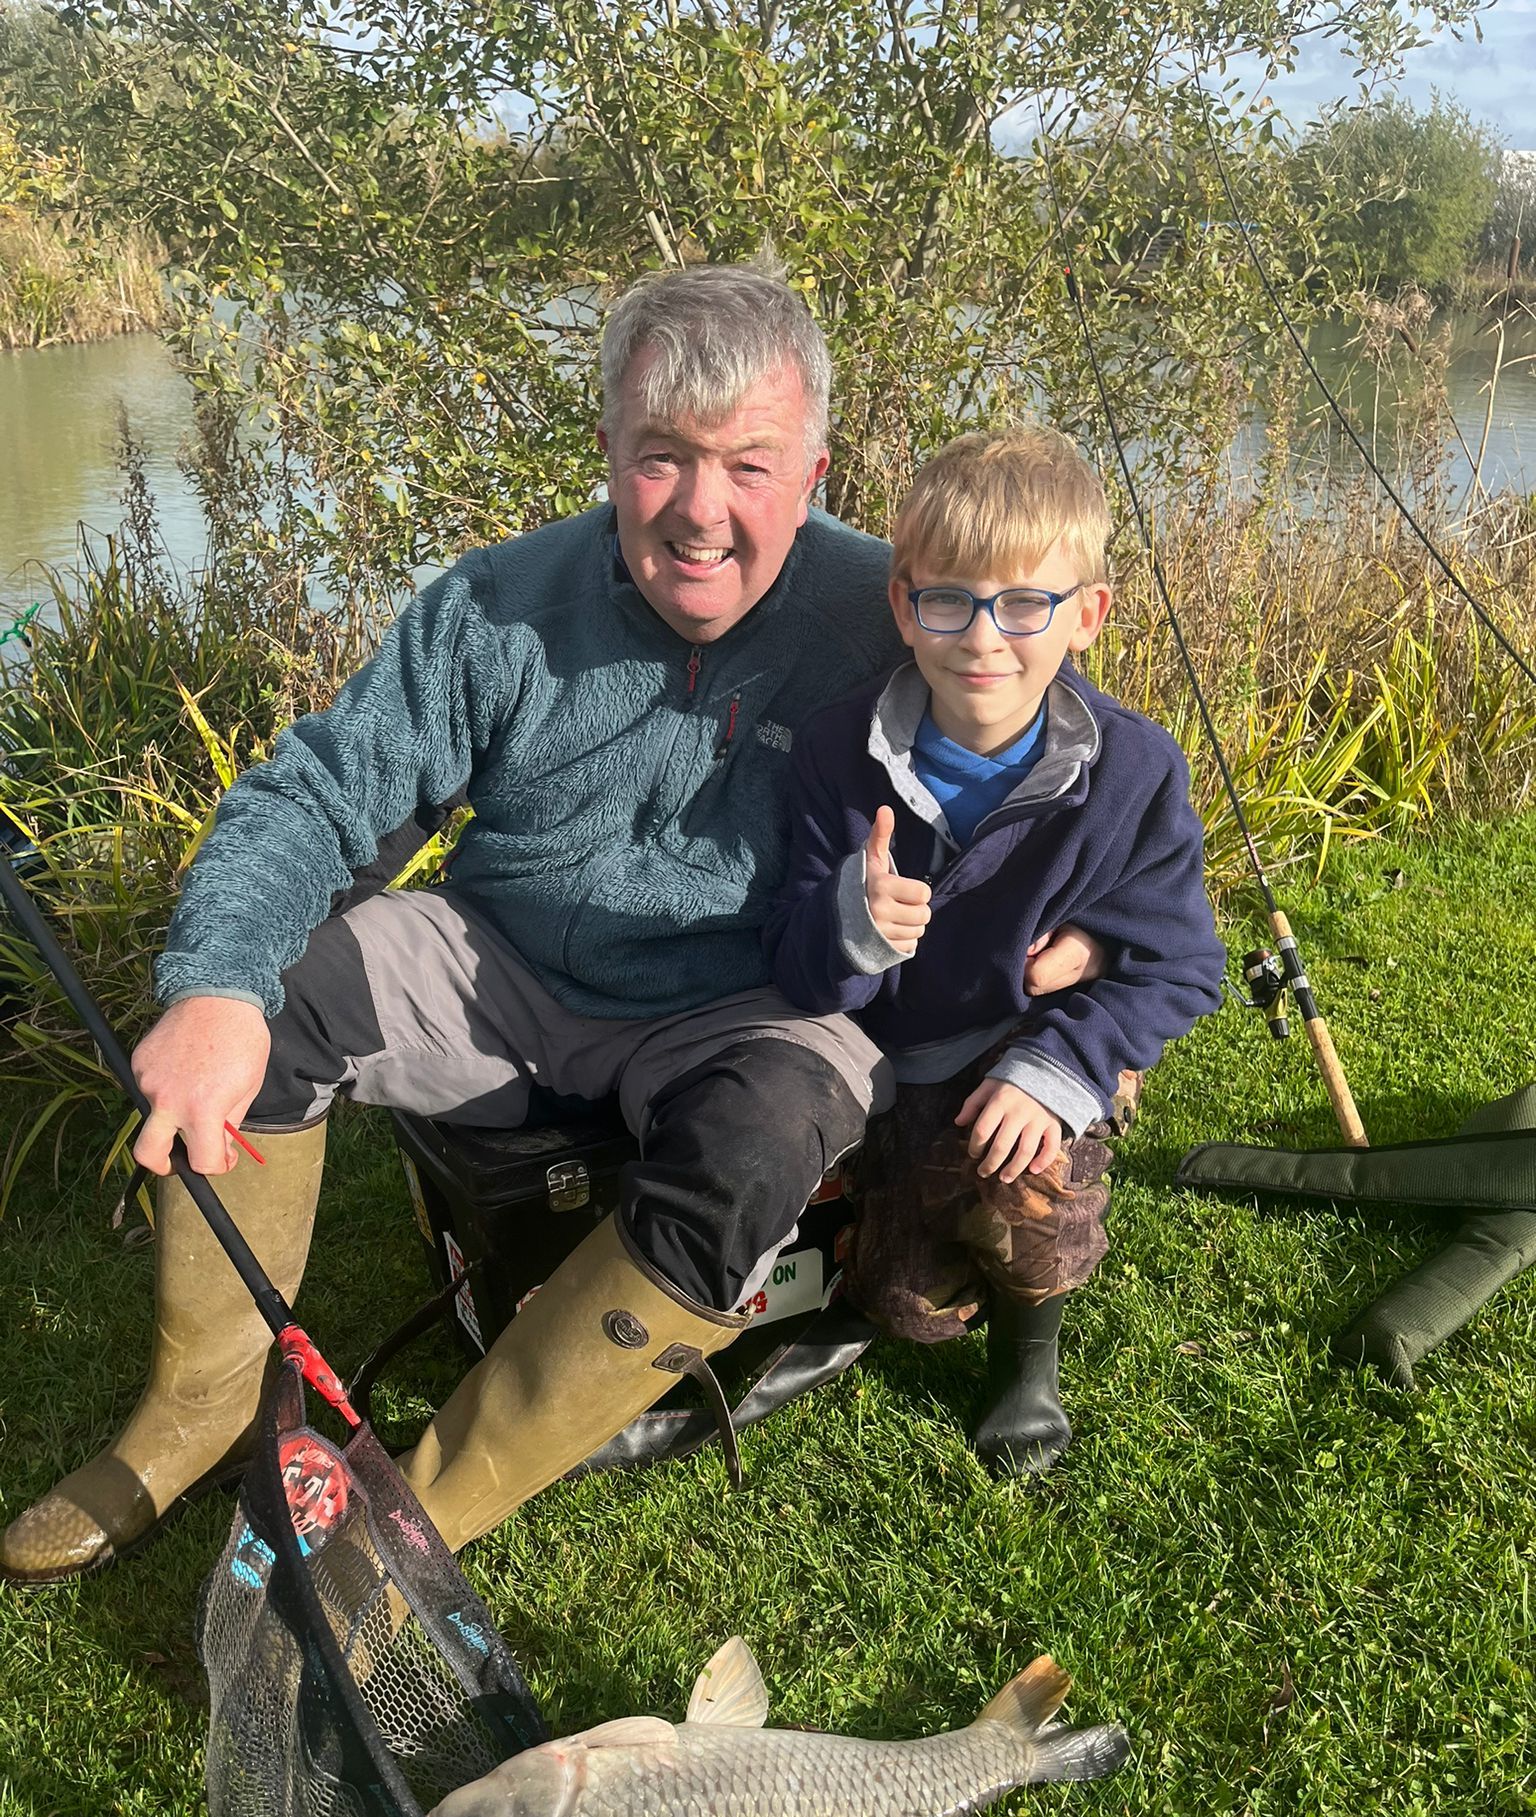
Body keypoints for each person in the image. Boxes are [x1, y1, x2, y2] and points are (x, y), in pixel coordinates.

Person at [0, 266, 1100, 1584]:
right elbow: (313, 798)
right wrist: (217, 985)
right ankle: (195, 1414)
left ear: (815, 469)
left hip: (765, 990)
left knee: (760, 1135)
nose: (701, 512)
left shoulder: (895, 613)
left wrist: (1081, 996)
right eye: (660, 461)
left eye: (750, 465)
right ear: (608, 454)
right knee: (275, 993)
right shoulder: (493, 604)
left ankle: (413, 1520)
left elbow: (1067, 783)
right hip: (508, 966)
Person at [766, 426, 1226, 1476]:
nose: (983, 636)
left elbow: (1184, 961)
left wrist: (1062, 1060)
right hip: (890, 1056)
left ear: (1088, 615)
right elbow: (793, 962)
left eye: (1025, 603)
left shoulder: (1136, 769)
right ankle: (896, 1261)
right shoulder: (840, 749)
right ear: (903, 603)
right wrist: (852, 920)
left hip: (1031, 1038)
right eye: (950, 599)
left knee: (1031, 1173)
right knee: (905, 1306)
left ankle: (1032, 1354)